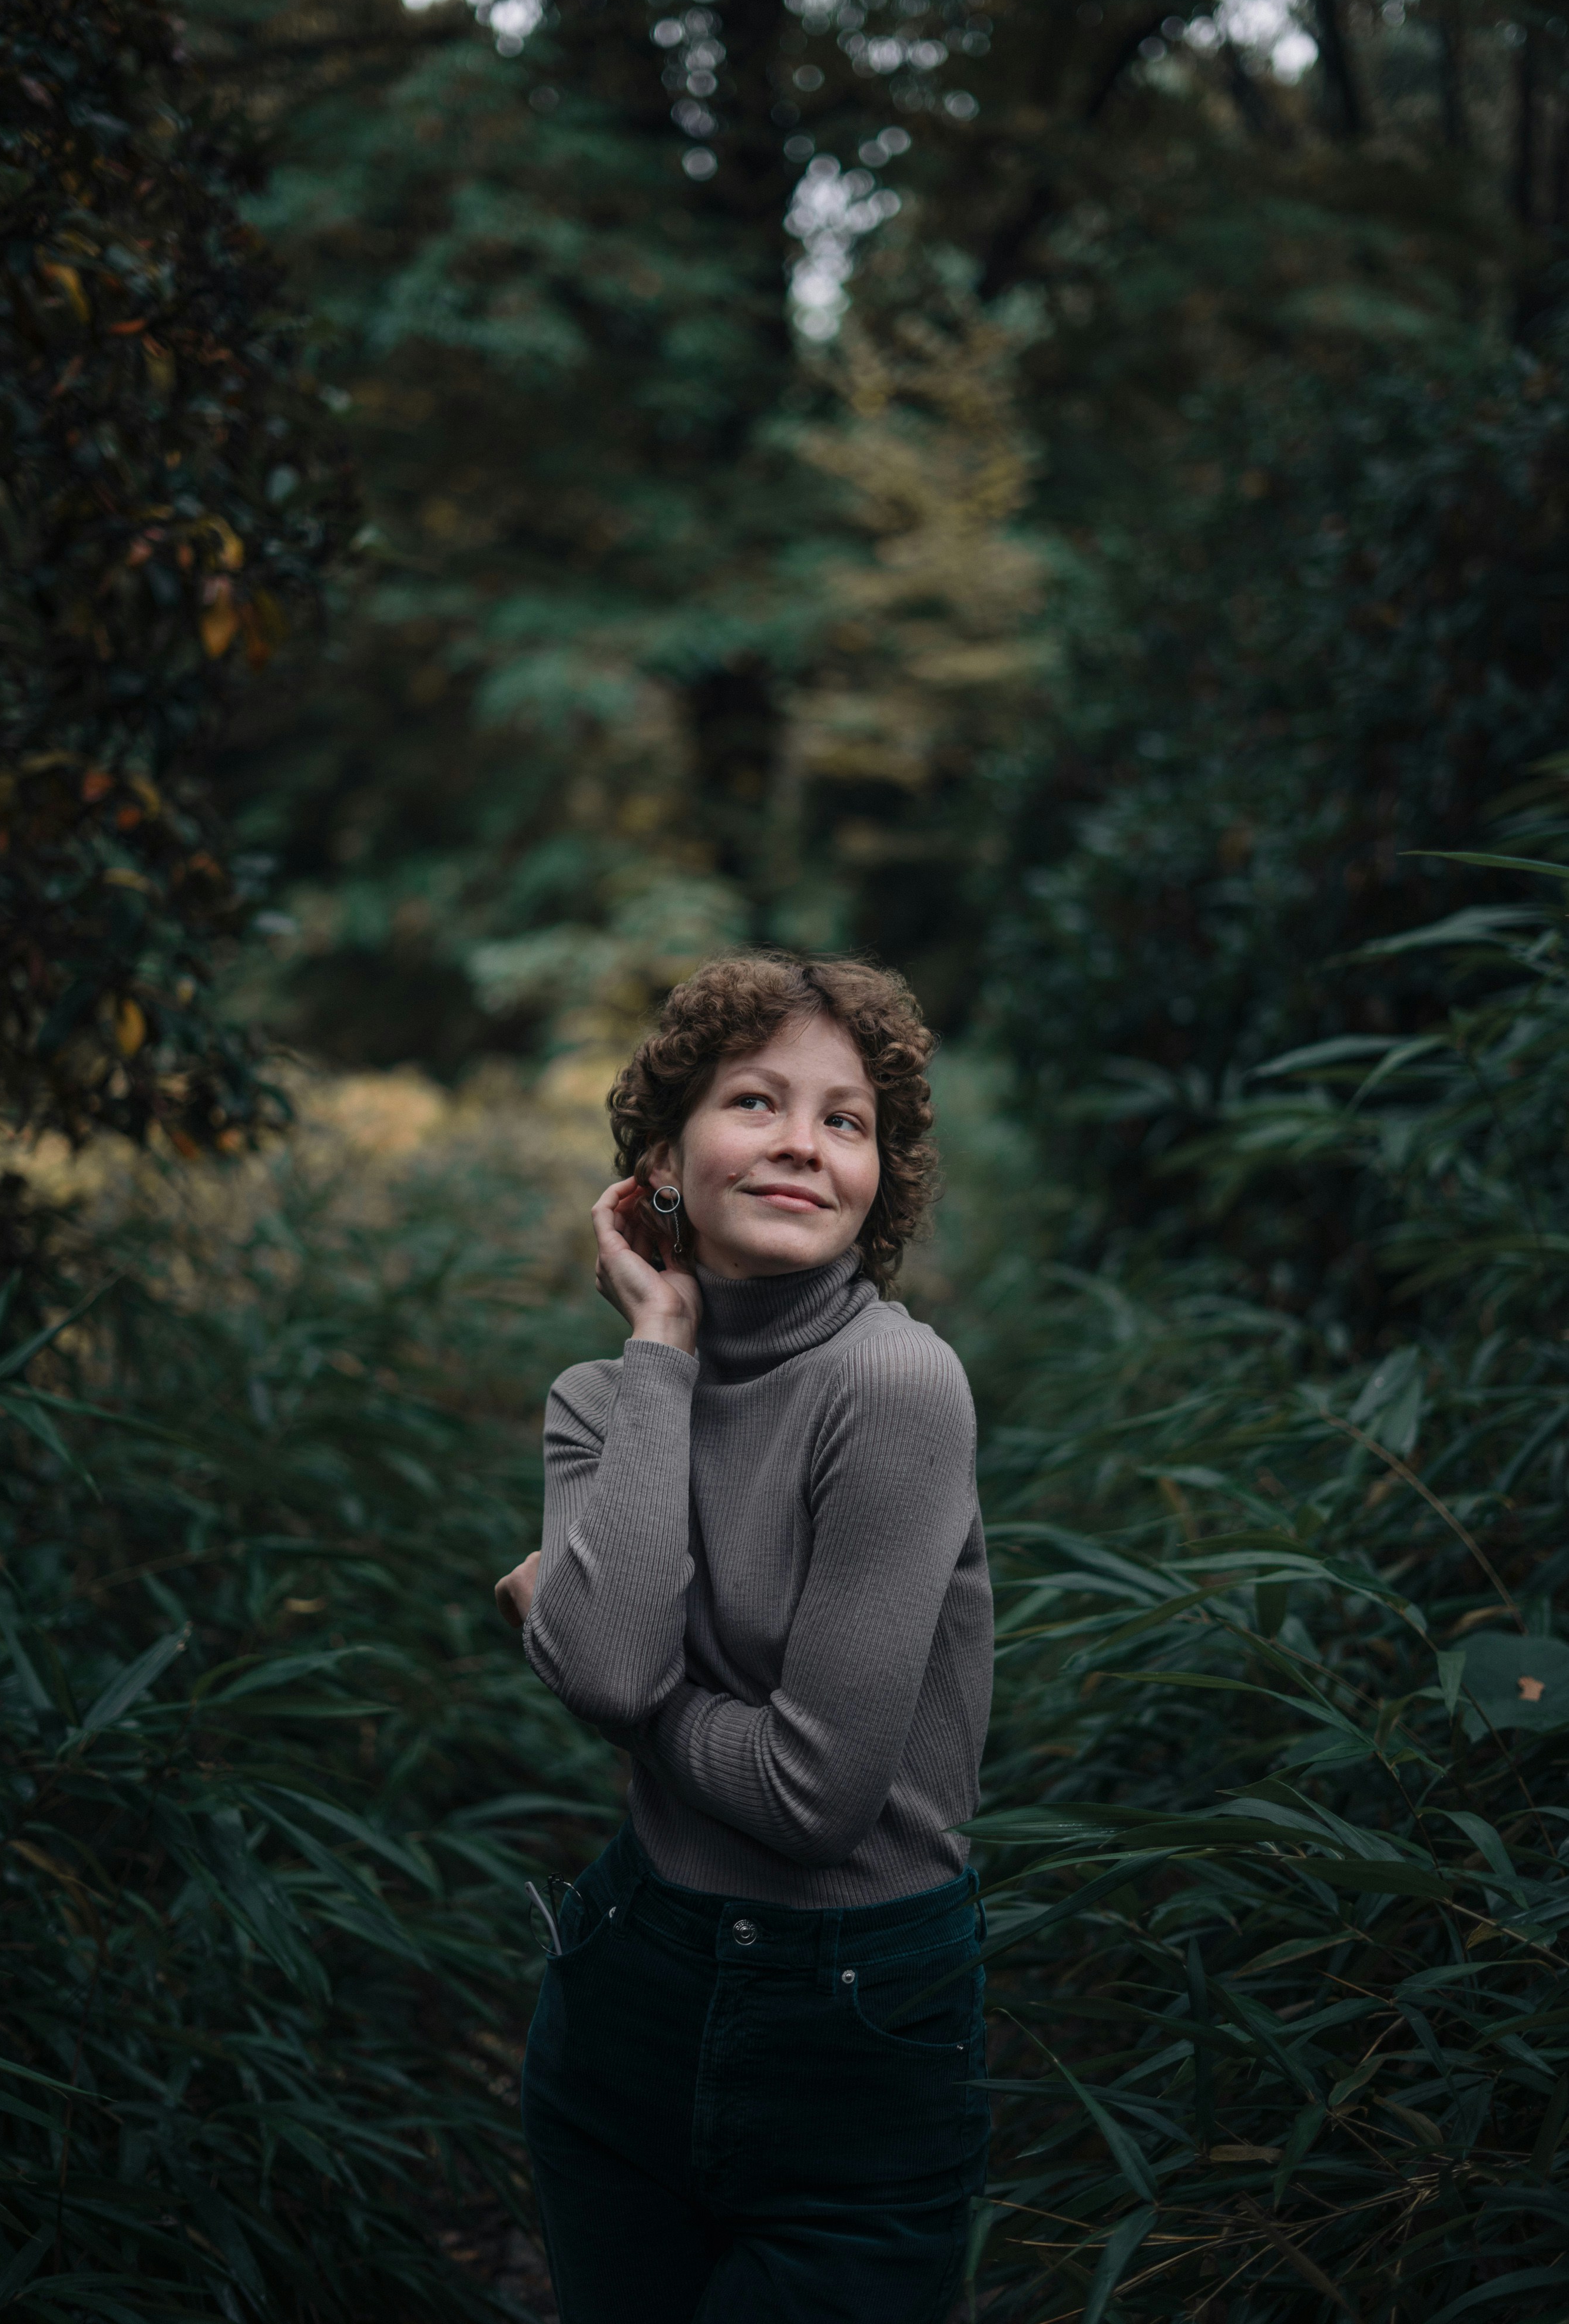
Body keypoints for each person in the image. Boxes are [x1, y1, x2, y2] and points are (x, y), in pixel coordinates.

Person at [494, 952, 993, 2324]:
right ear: (660, 1155)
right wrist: (658, 1339)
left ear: (878, 1173)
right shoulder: (601, 1397)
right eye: (755, 1101)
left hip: (854, 2020)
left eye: (845, 1119)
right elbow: (604, 1666)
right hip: (628, 1983)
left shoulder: (893, 1384)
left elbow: (810, 1795)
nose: (800, 1143)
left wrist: (581, 1645)